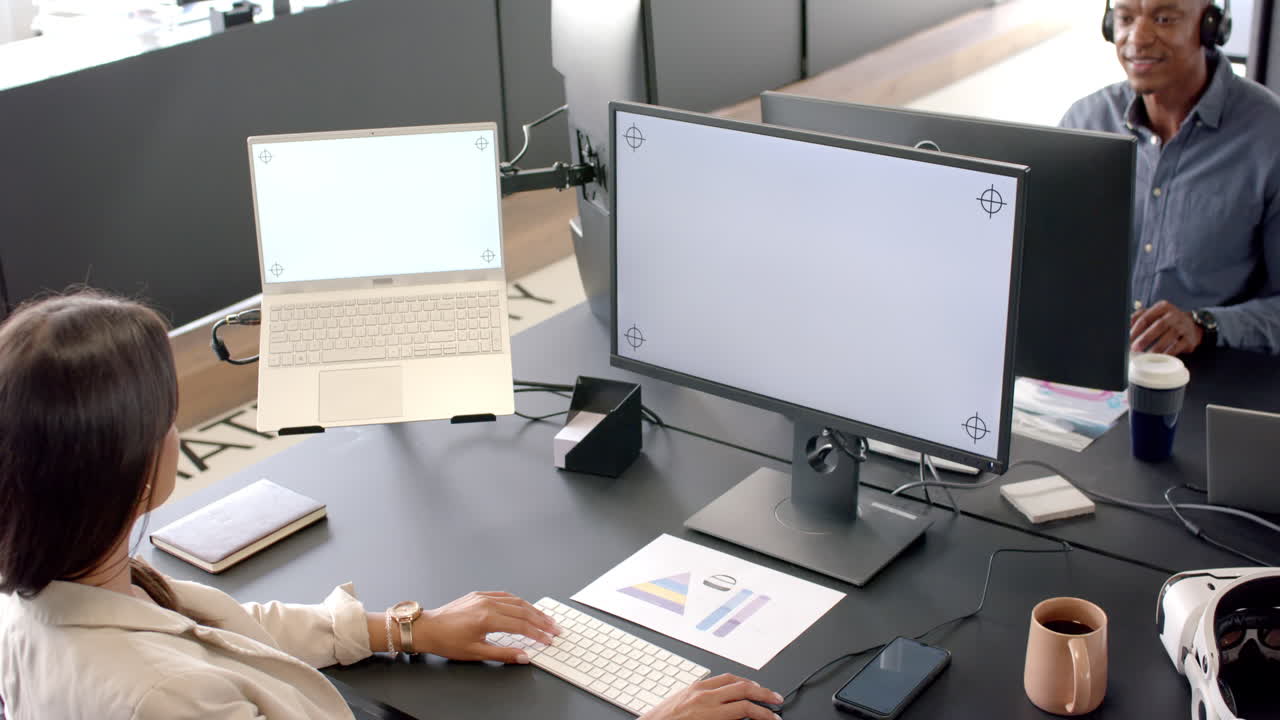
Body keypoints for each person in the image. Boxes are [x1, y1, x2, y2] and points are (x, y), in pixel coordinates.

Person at [0, 291, 784, 720]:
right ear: (136, 468)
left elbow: (228, 629)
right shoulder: (162, 699)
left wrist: (404, 628)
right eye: (170, 421)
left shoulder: (56, 589)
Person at [1061, 0, 1280, 356]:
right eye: (1125, 18)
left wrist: (1205, 325)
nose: (1138, 38)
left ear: (1211, 26)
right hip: (1090, 367)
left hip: (1207, 374)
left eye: (1164, 19)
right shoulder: (1085, 122)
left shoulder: (1269, 136)